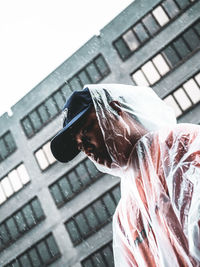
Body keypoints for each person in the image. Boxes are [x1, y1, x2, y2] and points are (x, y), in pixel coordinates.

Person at [51, 84, 200, 267]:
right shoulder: (125, 216)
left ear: (114, 109)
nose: (87, 149)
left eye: (87, 131)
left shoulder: (181, 144)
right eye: (81, 146)